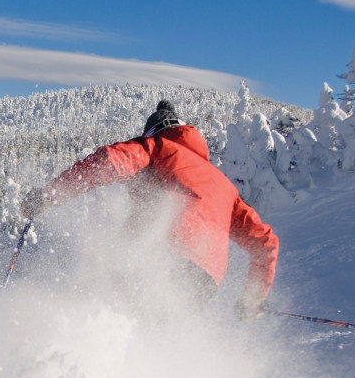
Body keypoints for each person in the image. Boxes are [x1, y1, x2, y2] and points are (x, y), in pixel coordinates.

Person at [21, 100, 279, 318]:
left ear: (153, 131)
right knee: (154, 336)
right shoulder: (225, 186)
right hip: (205, 280)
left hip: (164, 256)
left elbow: (108, 161)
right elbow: (265, 242)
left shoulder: (157, 147)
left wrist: (48, 196)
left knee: (100, 301)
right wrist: (252, 299)